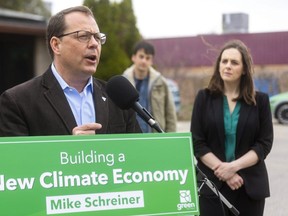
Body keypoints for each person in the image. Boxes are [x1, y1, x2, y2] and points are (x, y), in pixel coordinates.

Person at [0, 6, 141, 136]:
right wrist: (69, 150)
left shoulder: (119, 99)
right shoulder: (17, 102)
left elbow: (138, 156)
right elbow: (16, 162)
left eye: (98, 37)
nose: (94, 44)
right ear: (56, 45)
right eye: (83, 36)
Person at [190, 40, 273, 216]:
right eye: (224, 61)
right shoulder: (203, 98)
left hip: (248, 185)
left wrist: (233, 167)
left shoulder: (261, 101)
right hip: (211, 184)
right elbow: (197, 142)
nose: (227, 66)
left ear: (244, 69)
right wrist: (224, 171)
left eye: (234, 62)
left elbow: (264, 144)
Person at [123, 40, 177, 133]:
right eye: (141, 56)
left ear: (151, 61)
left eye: (148, 58)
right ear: (133, 57)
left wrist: (170, 139)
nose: (144, 61)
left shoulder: (160, 82)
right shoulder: (123, 82)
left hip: (155, 138)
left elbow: (170, 114)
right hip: (130, 138)